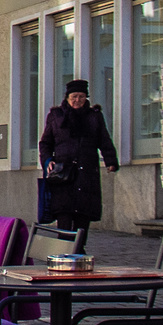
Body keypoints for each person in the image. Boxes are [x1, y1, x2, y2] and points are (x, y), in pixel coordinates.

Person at [39, 79, 120, 235]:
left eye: (81, 97)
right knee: (64, 214)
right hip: (63, 174)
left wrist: (111, 161)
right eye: (74, 97)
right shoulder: (56, 116)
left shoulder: (94, 116)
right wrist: (48, 160)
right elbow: (45, 143)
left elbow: (104, 140)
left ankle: (79, 250)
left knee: (83, 215)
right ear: (67, 97)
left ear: (86, 98)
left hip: (87, 173)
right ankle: (65, 250)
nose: (77, 101)